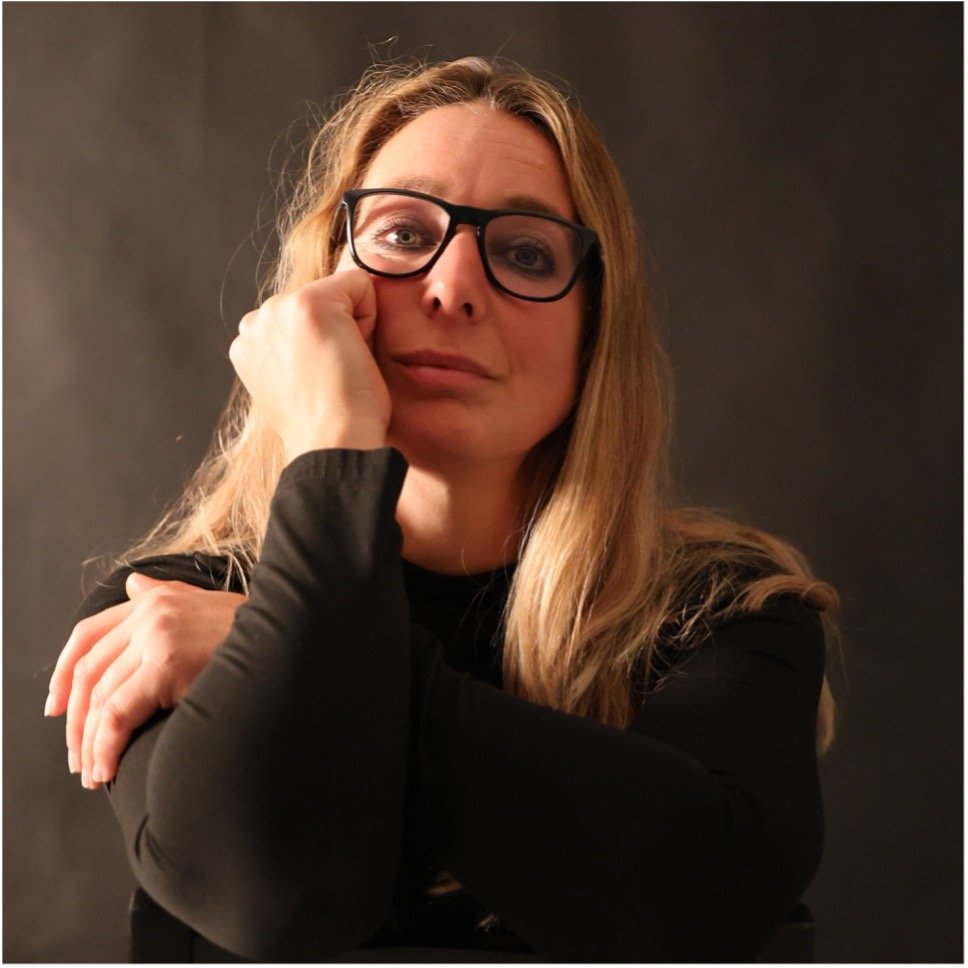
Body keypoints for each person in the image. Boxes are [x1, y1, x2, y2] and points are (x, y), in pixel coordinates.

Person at [45, 56, 838, 962]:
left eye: (526, 252)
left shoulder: (725, 613)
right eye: (399, 232)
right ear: (320, 294)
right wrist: (334, 440)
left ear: (594, 329)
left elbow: (706, 895)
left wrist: (270, 644)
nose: (453, 285)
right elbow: (277, 902)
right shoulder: (164, 607)